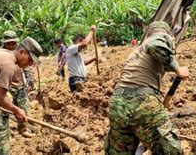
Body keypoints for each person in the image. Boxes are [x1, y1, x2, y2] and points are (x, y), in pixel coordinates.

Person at [104, 21, 189, 154]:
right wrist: (178, 68)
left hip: (117, 103)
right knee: (170, 150)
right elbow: (154, 45)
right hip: (142, 101)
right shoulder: (159, 36)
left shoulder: (135, 52)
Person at [66, 26, 97, 92]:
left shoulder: (77, 53)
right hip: (76, 79)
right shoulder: (71, 48)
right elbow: (85, 43)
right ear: (79, 41)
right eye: (82, 41)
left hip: (80, 79)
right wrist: (91, 31)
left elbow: (84, 63)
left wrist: (94, 58)